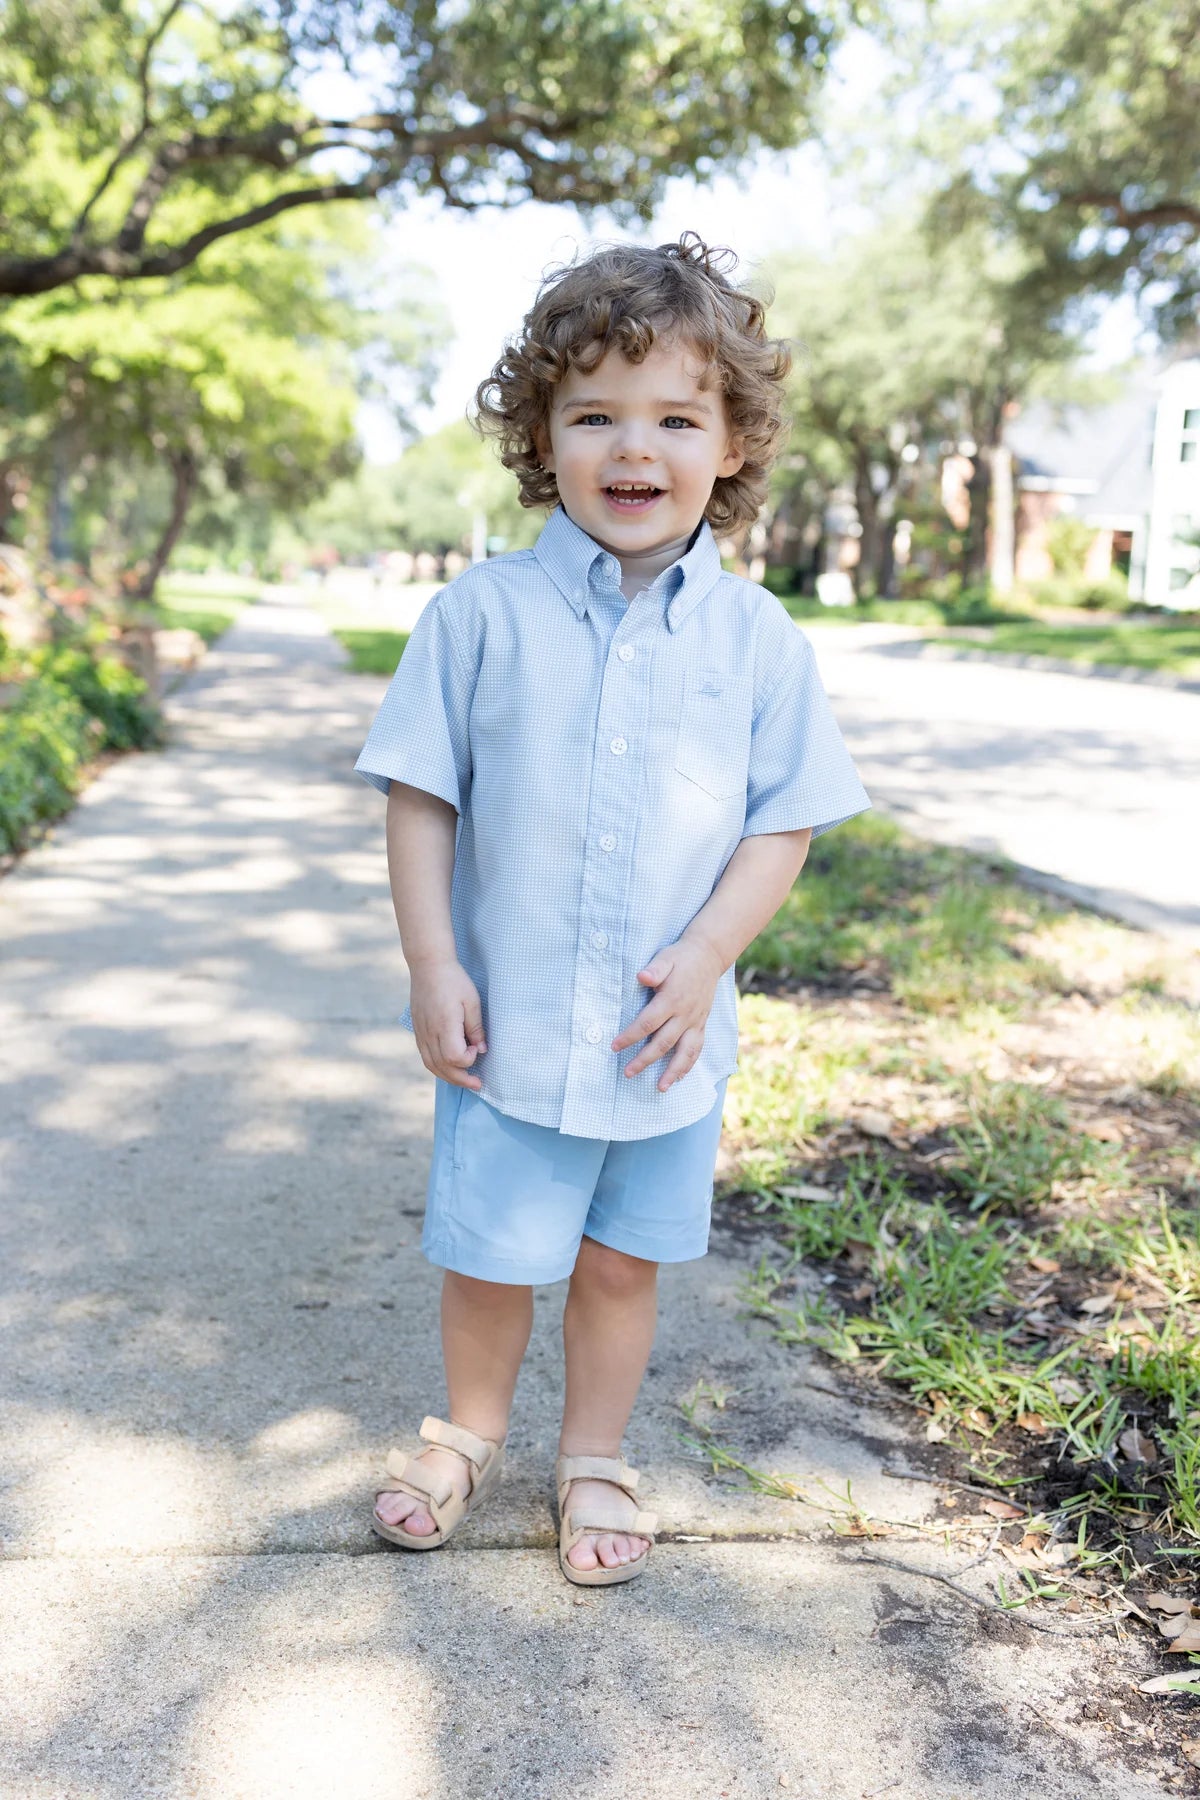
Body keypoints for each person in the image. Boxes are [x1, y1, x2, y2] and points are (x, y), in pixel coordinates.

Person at [354, 233, 870, 1587]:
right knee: (490, 1259)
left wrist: (708, 956)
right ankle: (465, 1433)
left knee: (621, 1265)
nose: (633, 449)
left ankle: (593, 1455)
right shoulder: (478, 618)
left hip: (662, 1038)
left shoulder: (760, 642)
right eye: (595, 415)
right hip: (512, 1023)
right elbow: (422, 796)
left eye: (675, 418)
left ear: (734, 442)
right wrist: (430, 959)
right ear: (543, 437)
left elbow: (786, 818)